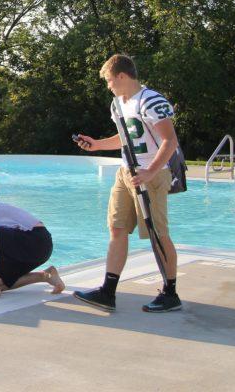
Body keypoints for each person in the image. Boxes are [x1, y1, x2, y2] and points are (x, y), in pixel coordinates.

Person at [73, 53, 182, 313]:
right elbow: (126, 137)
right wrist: (97, 145)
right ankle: (107, 291)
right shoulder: (117, 104)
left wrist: (150, 171)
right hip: (126, 172)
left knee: (157, 234)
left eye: (110, 80)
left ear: (122, 76)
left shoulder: (151, 100)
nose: (108, 85)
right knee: (117, 228)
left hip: (151, 174)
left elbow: (170, 141)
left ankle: (170, 293)